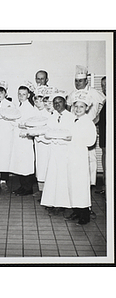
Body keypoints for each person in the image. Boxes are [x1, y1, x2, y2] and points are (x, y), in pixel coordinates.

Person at [66, 65, 106, 188]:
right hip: (75, 128)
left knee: (91, 156)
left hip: (89, 126)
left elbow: (105, 102)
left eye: (80, 81)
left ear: (86, 81)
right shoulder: (72, 94)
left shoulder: (94, 92)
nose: (78, 83)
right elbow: (68, 107)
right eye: (76, 81)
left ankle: (91, 183)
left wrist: (98, 119)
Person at [40, 91, 75, 215]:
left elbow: (71, 134)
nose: (57, 105)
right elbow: (48, 132)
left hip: (64, 151)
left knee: (62, 178)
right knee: (52, 177)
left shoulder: (71, 117)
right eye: (55, 103)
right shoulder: (52, 117)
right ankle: (52, 202)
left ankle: (62, 204)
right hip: (53, 151)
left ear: (65, 103)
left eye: (59, 102)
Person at [66, 91, 97, 225]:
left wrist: (75, 139)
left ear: (87, 108)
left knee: (81, 186)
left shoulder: (88, 122)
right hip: (71, 157)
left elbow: (91, 141)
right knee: (72, 185)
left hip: (80, 158)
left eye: (81, 107)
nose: (78, 109)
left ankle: (85, 214)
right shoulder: (73, 120)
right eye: (76, 106)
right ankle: (76, 210)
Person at [10, 81, 38, 196]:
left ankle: (28, 188)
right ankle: (22, 186)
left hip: (25, 139)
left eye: (23, 94)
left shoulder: (30, 108)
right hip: (18, 139)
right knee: (20, 163)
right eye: (19, 94)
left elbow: (31, 122)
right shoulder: (19, 106)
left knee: (26, 163)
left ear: (28, 95)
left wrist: (22, 124)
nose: (21, 96)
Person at [95, 76, 106, 195]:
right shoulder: (106, 101)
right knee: (105, 159)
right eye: (102, 85)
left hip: (108, 136)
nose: (104, 88)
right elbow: (98, 118)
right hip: (103, 134)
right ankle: (105, 186)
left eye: (107, 85)